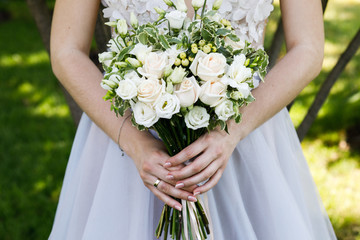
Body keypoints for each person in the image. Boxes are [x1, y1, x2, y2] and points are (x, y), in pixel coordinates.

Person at [49, 0, 337, 239]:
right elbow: (66, 50)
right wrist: (136, 143)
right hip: (126, 142)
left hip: (245, 138)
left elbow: (308, 48)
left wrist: (231, 132)